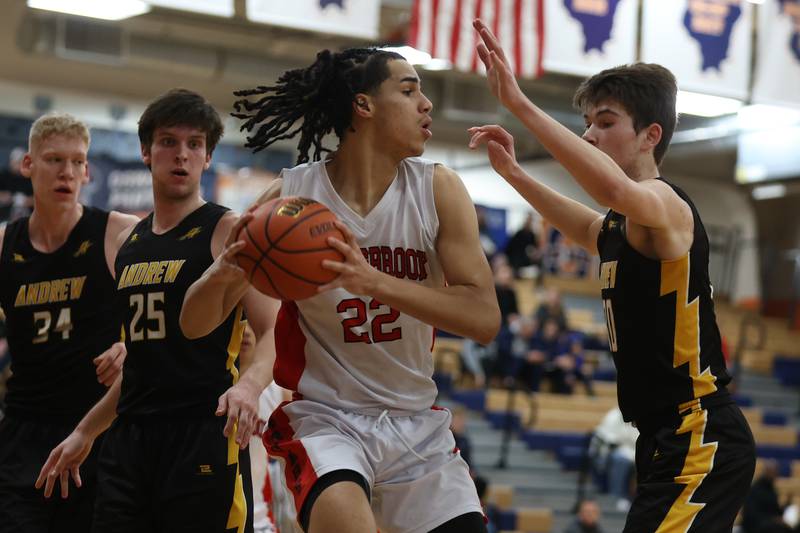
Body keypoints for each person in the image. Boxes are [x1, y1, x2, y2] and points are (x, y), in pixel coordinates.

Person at [181, 48, 500, 533]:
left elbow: (484, 319)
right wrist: (227, 267)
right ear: (364, 105)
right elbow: (194, 323)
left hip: (415, 420)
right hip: (327, 421)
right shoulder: (291, 201)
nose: (427, 104)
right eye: (410, 90)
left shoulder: (438, 190)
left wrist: (373, 281)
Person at [469, 19, 755, 532]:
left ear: (651, 135)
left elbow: (613, 195)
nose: (589, 134)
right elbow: (587, 224)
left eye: (604, 122)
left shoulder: (664, 204)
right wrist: (514, 175)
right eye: (587, 123)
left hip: (700, 431)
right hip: (663, 435)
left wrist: (519, 104)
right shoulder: (626, 225)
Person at [36, 89, 279, 533]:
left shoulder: (229, 231)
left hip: (202, 432)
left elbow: (271, 332)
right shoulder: (130, 245)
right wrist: (85, 432)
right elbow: (139, 367)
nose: (181, 155)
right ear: (146, 152)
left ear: (207, 157)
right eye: (168, 142)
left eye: (195, 144)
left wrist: (249, 386)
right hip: (130, 440)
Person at [0, 112, 137, 532]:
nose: (67, 172)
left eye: (77, 161)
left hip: (99, 426)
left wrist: (132, 343)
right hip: (25, 430)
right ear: (28, 165)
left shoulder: (117, 233)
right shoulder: (5, 243)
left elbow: (165, 316)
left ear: (88, 171)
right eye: (55, 159)